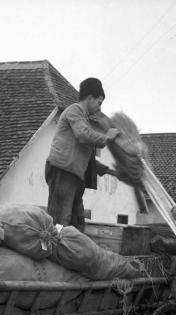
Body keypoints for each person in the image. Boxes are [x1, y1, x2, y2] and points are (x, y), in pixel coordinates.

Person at [45, 77, 119, 231]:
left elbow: (88, 159)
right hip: (63, 172)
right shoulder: (75, 110)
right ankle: (52, 252)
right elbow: (83, 134)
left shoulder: (84, 119)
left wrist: (114, 172)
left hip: (75, 177)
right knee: (59, 221)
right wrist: (107, 137)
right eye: (99, 103)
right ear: (90, 97)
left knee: (77, 223)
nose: (99, 108)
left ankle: (73, 251)